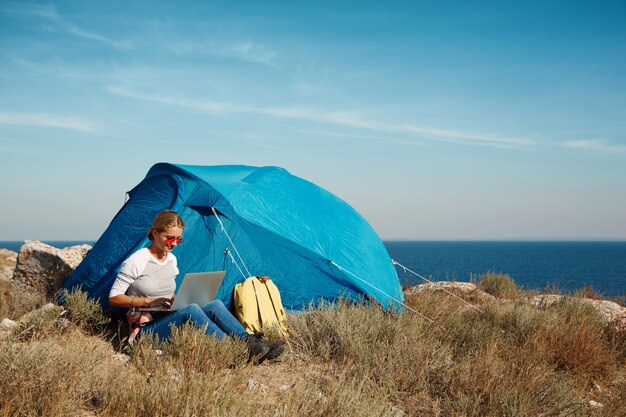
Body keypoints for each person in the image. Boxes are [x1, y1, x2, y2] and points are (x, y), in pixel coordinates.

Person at [108, 210, 283, 363]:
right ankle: (234, 351)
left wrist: (182, 299)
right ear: (155, 233)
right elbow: (114, 298)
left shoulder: (171, 260)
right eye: (169, 238)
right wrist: (147, 301)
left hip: (166, 318)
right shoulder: (137, 261)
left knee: (214, 305)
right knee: (191, 310)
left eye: (179, 239)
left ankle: (251, 344)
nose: (174, 243)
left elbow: (169, 294)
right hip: (145, 331)